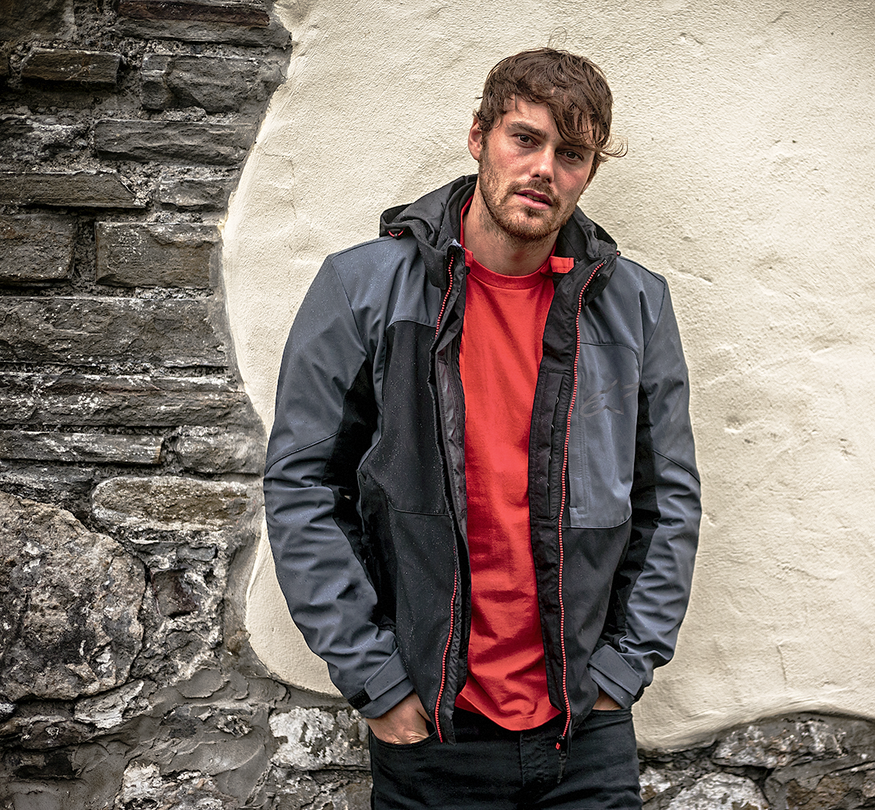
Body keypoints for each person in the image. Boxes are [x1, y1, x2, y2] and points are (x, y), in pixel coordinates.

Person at [264, 48, 701, 809]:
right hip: (435, 731)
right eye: (524, 139)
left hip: (585, 732)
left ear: (589, 172)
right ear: (478, 137)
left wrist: (623, 669)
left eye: (572, 154)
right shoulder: (363, 289)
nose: (544, 170)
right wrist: (376, 678)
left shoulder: (636, 306)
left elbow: (668, 502)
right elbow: (303, 486)